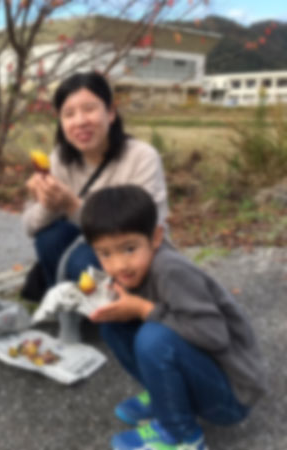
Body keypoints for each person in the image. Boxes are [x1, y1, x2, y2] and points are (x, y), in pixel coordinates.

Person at [81, 185, 267, 450]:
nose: (119, 264)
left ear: (156, 237)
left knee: (154, 338)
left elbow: (213, 335)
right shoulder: (134, 269)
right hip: (202, 373)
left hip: (232, 394)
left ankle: (183, 435)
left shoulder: (170, 270)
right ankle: (164, 402)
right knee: (114, 322)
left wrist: (143, 310)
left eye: (129, 248)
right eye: (105, 253)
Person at [22, 71, 168, 340]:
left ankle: (121, 317)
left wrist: (72, 204)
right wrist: (47, 203)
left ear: (111, 113)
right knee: (49, 236)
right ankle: (73, 309)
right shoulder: (60, 160)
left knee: (83, 258)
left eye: (89, 109)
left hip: (132, 254)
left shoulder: (141, 157)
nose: (80, 121)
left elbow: (144, 229)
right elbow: (29, 226)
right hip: (90, 248)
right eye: (69, 113)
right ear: (61, 121)